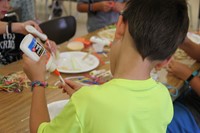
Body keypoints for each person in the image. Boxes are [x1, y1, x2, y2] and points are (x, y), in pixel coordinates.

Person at [22, 0, 189, 133]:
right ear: (165, 61)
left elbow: (39, 130)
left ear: (120, 25)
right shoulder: (164, 98)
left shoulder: (86, 103)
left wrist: (38, 82)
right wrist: (91, 96)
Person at [0, 0, 57, 65]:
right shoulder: (15, 26)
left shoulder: (12, 20)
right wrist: (20, 27)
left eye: (8, 0)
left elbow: (29, 49)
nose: (7, 5)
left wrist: (44, 49)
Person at [167, 37, 200, 133]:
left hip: (196, 112)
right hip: (192, 96)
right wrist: (182, 39)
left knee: (159, 124)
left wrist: (189, 76)